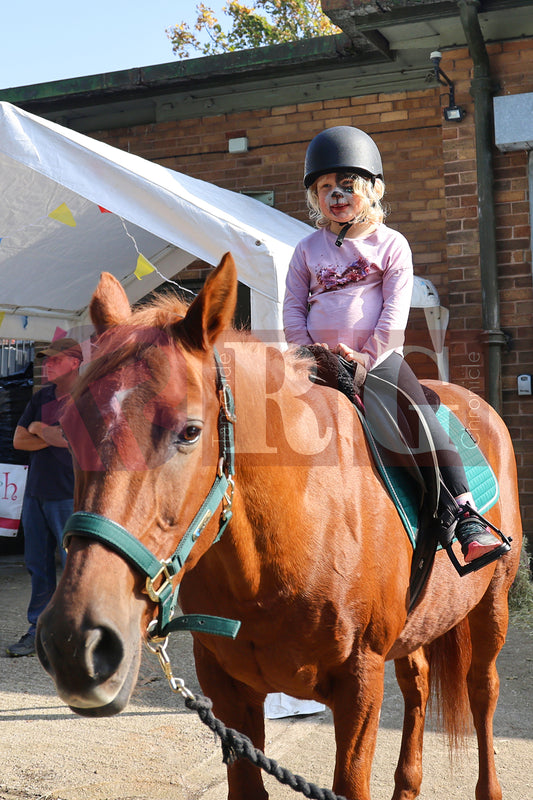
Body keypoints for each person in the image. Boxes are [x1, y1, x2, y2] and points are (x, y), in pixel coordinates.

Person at [283, 125, 510, 570]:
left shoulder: (391, 244)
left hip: (378, 362)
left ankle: (464, 516)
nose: (335, 195)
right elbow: (293, 308)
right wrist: (306, 353)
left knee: (419, 421)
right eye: (324, 187)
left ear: (373, 190)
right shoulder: (306, 249)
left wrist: (366, 358)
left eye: (347, 185)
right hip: (315, 363)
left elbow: (393, 314)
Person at [6, 338, 82, 657]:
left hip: (68, 494)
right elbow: (18, 441)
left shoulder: (86, 398)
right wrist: (45, 432)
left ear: (75, 363)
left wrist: (39, 428)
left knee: (73, 567)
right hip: (35, 493)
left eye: (54, 360)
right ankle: (37, 629)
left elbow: (70, 440)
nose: (46, 365)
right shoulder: (42, 396)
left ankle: (73, 632)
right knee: (38, 565)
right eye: (45, 361)